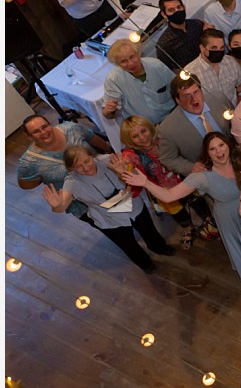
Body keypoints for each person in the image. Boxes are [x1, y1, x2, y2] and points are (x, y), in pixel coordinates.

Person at [126, 132, 241, 282]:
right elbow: (169, 196)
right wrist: (146, 183)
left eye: (221, 145)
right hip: (231, 216)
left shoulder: (240, 160)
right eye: (212, 149)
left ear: (228, 145)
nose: (219, 151)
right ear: (207, 153)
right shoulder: (202, 176)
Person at [45, 146, 174, 273]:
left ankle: (160, 247)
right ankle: (145, 264)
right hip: (109, 220)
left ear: (91, 155)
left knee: (149, 230)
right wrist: (56, 206)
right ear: (71, 168)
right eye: (78, 166)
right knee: (128, 245)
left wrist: (123, 172)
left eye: (87, 161)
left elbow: (135, 179)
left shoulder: (109, 160)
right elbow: (61, 207)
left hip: (133, 206)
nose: (86, 168)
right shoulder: (71, 182)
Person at [120, 115, 212, 249]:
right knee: (178, 213)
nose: (142, 137)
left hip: (186, 180)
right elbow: (128, 167)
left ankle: (209, 222)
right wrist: (122, 170)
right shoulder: (132, 154)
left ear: (149, 127)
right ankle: (188, 229)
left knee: (199, 203)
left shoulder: (164, 137)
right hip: (163, 190)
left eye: (143, 131)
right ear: (129, 140)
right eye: (135, 136)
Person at [17, 115, 111, 223]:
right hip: (85, 205)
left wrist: (108, 150)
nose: (43, 132)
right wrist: (47, 177)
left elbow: (92, 138)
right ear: (29, 137)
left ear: (50, 124)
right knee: (118, 232)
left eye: (44, 126)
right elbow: (25, 184)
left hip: (108, 183)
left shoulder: (72, 129)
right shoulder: (29, 162)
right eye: (36, 131)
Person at [101, 39, 175, 125]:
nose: (131, 63)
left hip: (172, 116)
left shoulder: (156, 65)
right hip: (144, 128)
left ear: (138, 54)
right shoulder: (113, 80)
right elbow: (111, 115)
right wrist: (108, 111)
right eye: (124, 61)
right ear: (117, 64)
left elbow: (176, 87)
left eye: (132, 57)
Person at [182, 29, 241, 108]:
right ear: (202, 48)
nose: (219, 51)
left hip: (235, 110)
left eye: (221, 48)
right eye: (214, 48)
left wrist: (240, 107)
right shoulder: (190, 72)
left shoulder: (231, 62)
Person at [155, 0, 203, 72]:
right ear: (164, 14)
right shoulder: (164, 44)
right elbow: (167, 70)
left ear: (184, 7)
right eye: (171, 10)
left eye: (179, 7)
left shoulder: (197, 24)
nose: (177, 11)